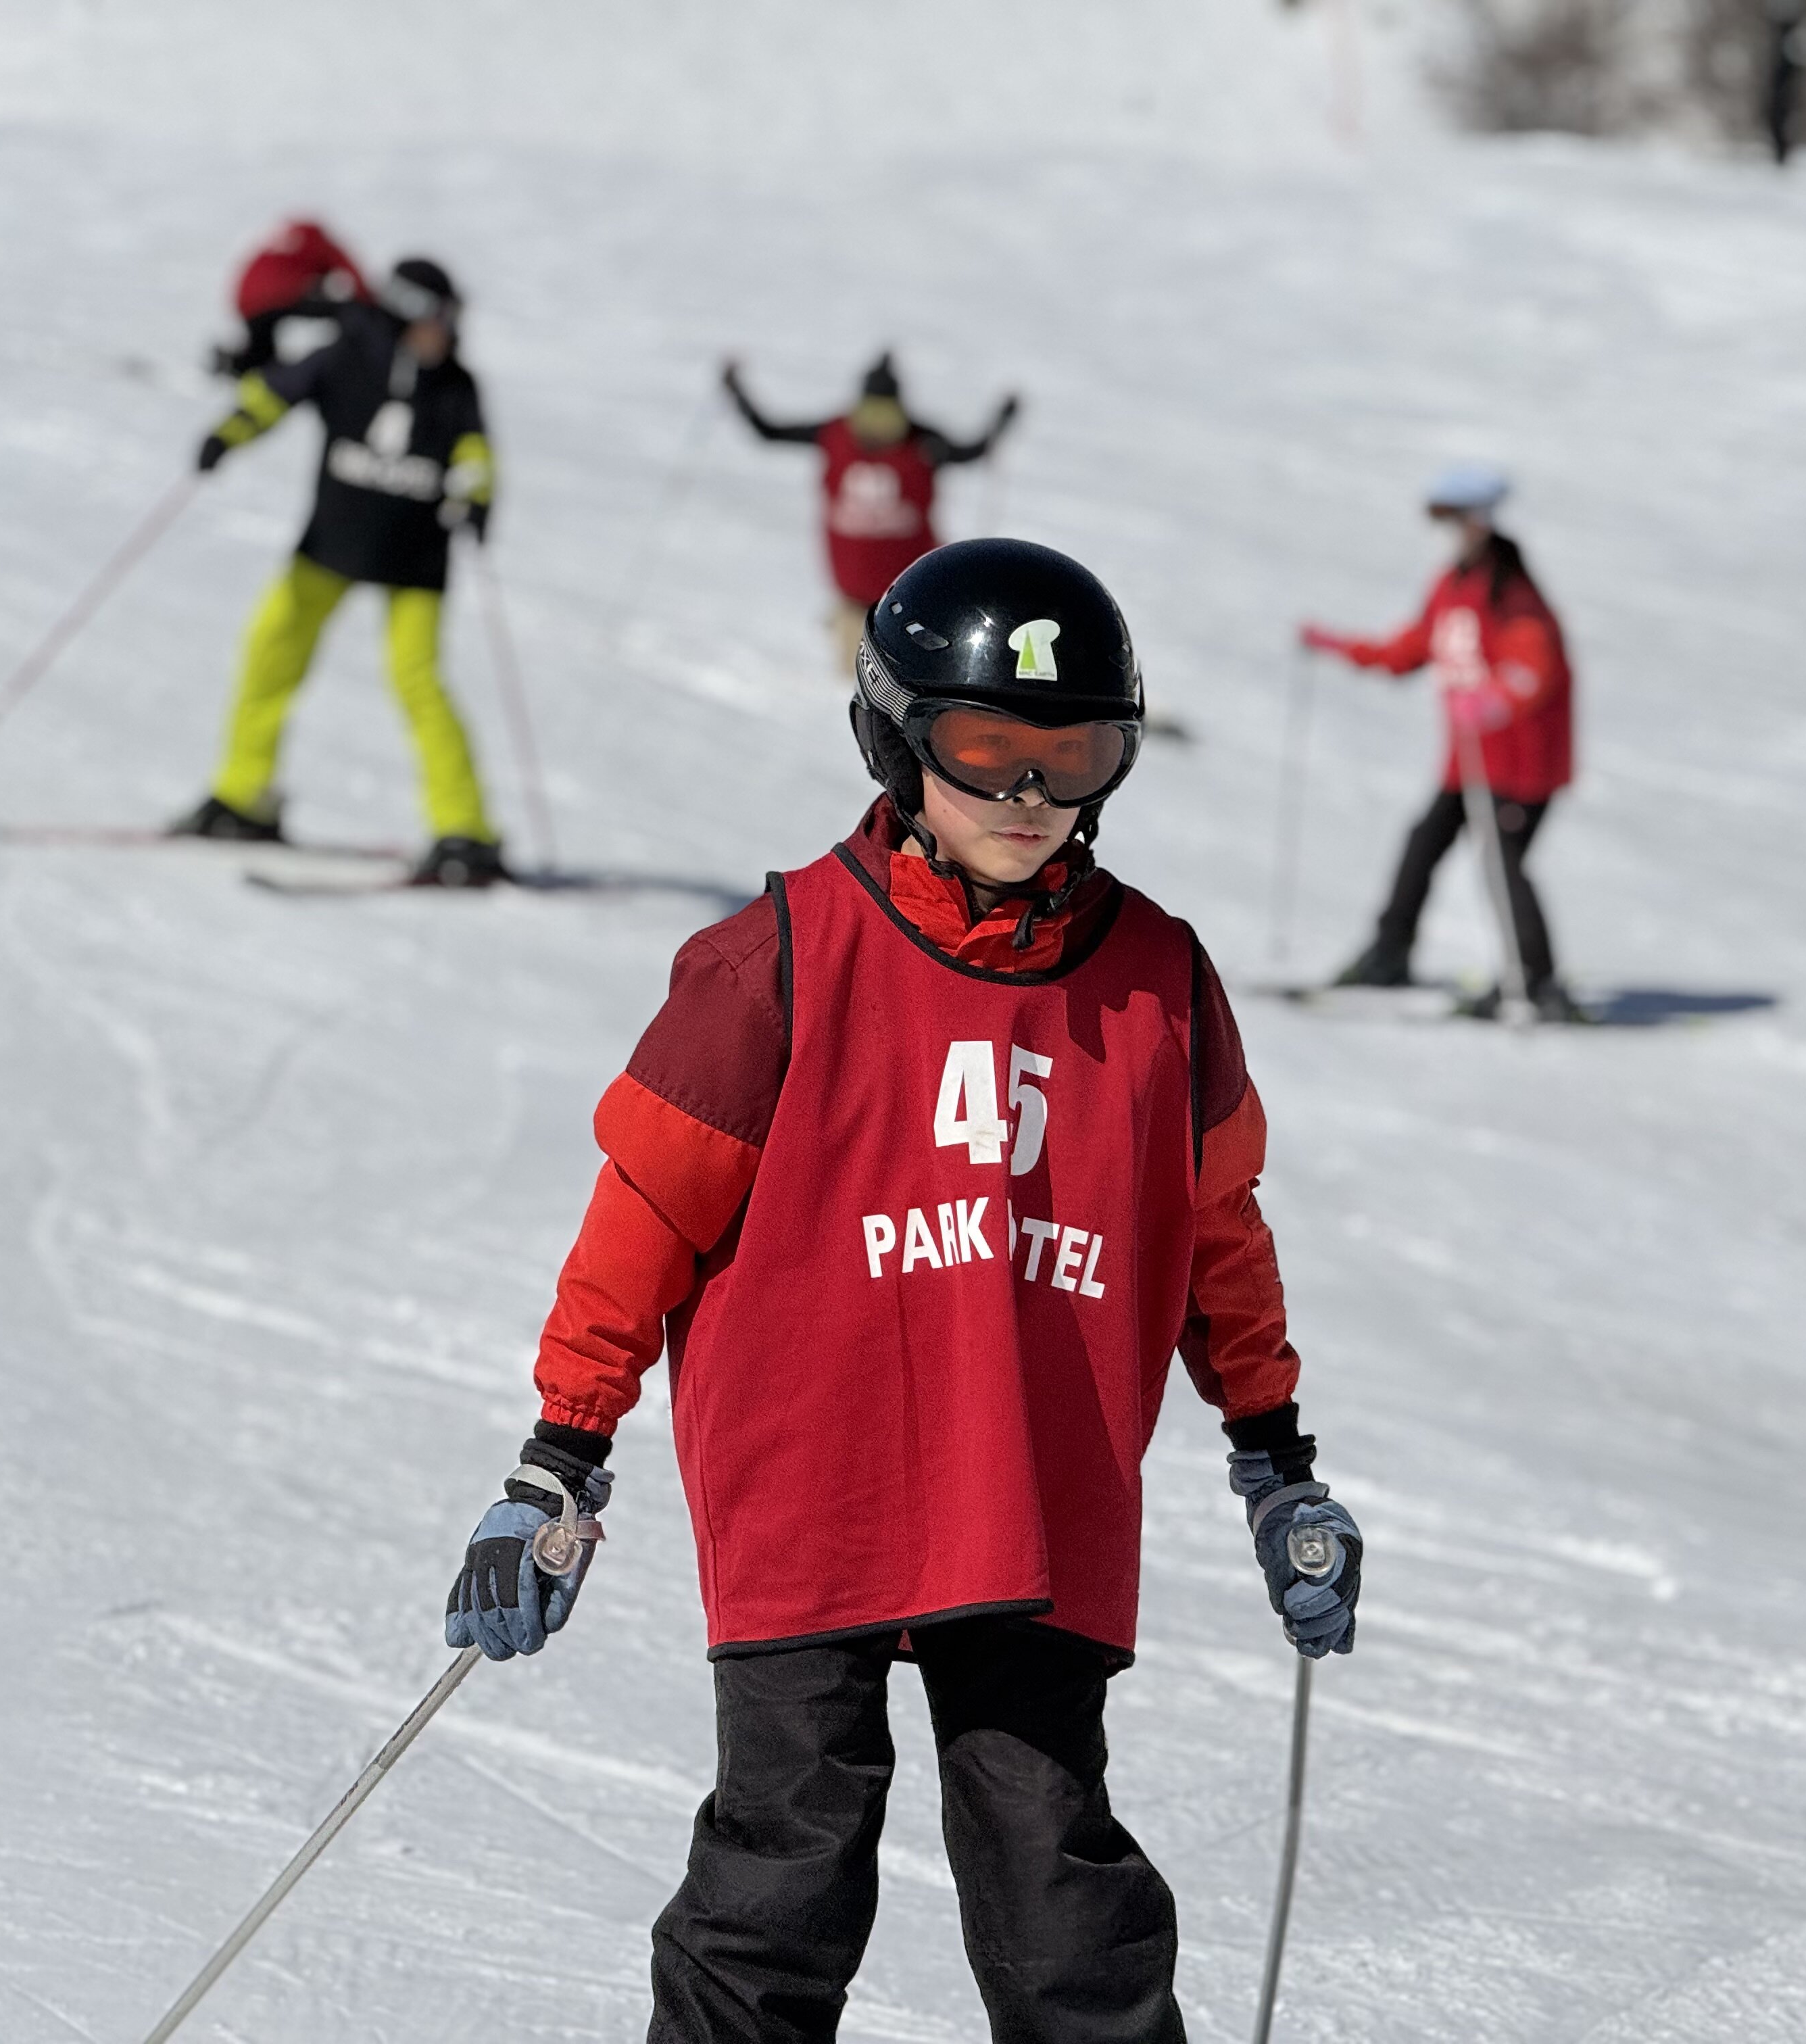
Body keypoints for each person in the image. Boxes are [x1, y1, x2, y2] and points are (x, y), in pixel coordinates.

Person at [441, 537, 1361, 2044]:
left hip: (1034, 1493)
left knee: (1061, 1889)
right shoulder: (773, 962)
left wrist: (1277, 1460)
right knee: (784, 1870)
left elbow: (1218, 1237)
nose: (1029, 795)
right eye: (987, 749)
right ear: (897, 737)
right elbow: (641, 1221)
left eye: (1073, 755)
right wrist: (558, 1455)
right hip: (818, 1491)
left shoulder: (1159, 984)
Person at [179, 256, 507, 887]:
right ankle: (243, 796)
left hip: (414, 556)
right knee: (273, 650)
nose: (446, 335)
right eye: (437, 321)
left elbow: (474, 450)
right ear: (404, 315)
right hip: (334, 543)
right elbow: (276, 393)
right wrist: (230, 433)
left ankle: (464, 830)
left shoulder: (455, 385)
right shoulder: (346, 357)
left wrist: (477, 494)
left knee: (418, 681)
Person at [1300, 462, 1580, 1021]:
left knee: (1503, 863)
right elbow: (1410, 650)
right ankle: (1389, 954)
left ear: (1481, 522)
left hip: (1521, 764)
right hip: (1470, 762)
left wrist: (1495, 698)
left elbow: (1536, 667)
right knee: (1423, 844)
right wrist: (1342, 649)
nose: (1453, 534)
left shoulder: (1513, 591)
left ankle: (1536, 981)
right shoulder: (1453, 585)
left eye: (1459, 521)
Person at [721, 351, 1018, 671]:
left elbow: (973, 451)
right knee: (858, 680)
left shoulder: (922, 444)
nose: (878, 428)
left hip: (912, 598)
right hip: (853, 598)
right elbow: (768, 432)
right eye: (871, 414)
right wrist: (736, 391)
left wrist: (1001, 422)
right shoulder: (834, 434)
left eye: (887, 417)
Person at [210, 218, 372, 379]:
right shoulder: (320, 244)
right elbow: (349, 269)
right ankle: (357, 349)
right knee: (346, 311)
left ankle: (234, 363)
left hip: (248, 301)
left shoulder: (285, 244)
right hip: (280, 294)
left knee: (262, 351)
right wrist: (370, 304)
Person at [1763, 2, 1806, 166]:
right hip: (1782, 88)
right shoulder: (1784, 40)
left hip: (1785, 89)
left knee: (1780, 119)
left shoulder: (1792, 38)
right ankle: (1781, 155)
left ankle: (1782, 155)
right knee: (1777, 118)